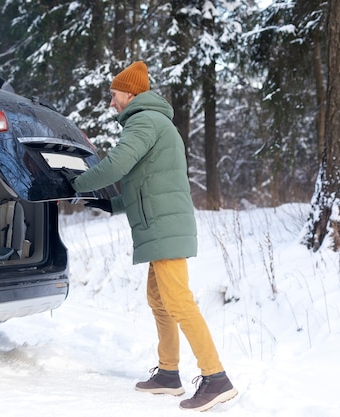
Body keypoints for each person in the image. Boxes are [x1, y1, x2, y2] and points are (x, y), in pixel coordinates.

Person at [65, 61, 238, 412]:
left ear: (130, 94)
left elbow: (116, 165)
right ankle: (169, 373)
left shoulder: (144, 121)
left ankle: (216, 377)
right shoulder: (154, 123)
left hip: (164, 227)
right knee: (159, 301)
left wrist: (74, 184)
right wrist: (107, 204)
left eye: (114, 95)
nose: (111, 102)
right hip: (159, 225)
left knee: (178, 302)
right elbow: (144, 184)